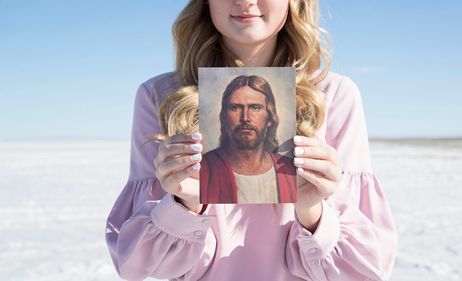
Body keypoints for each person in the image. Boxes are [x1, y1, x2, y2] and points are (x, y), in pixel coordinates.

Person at [105, 0, 398, 280]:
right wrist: (183, 204)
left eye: (255, 107)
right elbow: (135, 264)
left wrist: (313, 212)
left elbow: (367, 270)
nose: (245, 1)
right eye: (234, 107)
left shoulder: (334, 95)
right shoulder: (161, 96)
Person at [200, 74, 296, 204]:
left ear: (269, 117)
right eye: (235, 107)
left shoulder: (289, 170)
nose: (245, 117)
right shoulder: (204, 168)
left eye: (255, 107)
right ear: (224, 117)